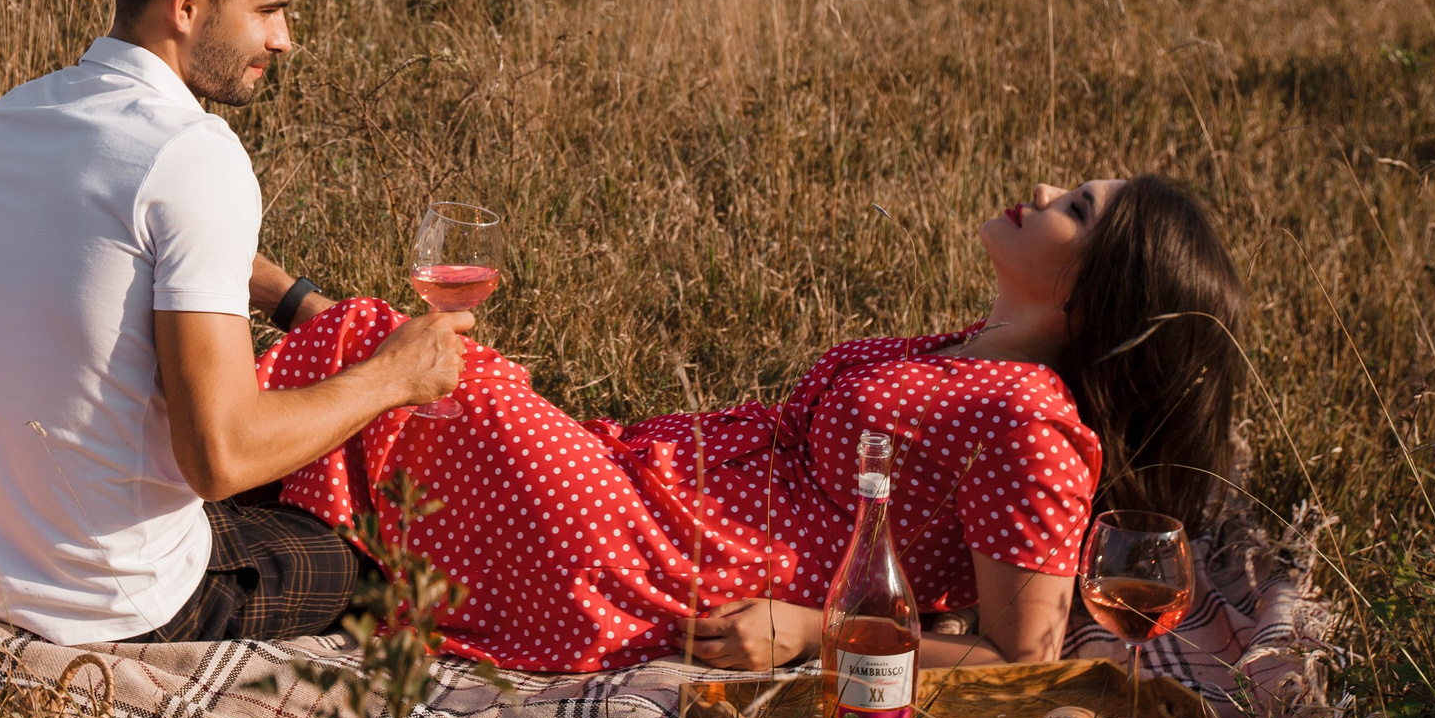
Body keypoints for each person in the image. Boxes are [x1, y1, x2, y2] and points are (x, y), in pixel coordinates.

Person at [259, 176, 1243, 674]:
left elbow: (1015, 657)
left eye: (1074, 206)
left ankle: (234, 352)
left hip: (656, 562)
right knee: (416, 364)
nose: (1039, 190)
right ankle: (243, 362)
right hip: (654, 494)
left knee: (411, 355)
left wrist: (812, 634)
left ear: (1095, 288)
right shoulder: (976, 353)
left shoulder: (1032, 417)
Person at [0, 0, 468, 646]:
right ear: (189, 3)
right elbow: (219, 456)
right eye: (269, 10)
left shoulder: (21, 116)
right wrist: (392, 377)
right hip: (102, 598)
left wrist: (295, 300)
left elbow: (137, 242)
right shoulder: (194, 155)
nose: (285, 38)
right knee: (382, 561)